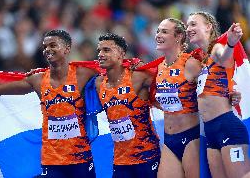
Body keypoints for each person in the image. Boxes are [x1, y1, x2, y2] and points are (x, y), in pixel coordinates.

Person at [0, 30, 98, 178]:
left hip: (81, 159)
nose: (48, 49)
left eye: (53, 45)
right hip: (52, 161)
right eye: (45, 46)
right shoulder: (38, 80)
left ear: (67, 48)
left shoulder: (84, 74)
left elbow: (114, 80)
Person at [186, 11, 250, 178]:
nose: (188, 28)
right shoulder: (200, 61)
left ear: (208, 27)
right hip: (210, 131)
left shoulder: (216, 47)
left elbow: (223, 56)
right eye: (187, 25)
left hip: (226, 125)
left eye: (193, 24)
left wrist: (230, 43)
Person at [94, 33, 161, 178]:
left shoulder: (137, 77)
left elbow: (164, 80)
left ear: (121, 53)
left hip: (146, 155)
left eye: (106, 50)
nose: (100, 54)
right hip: (120, 160)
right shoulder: (99, 84)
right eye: (99, 50)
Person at [154, 18, 201, 178]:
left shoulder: (190, 63)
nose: (158, 35)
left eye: (164, 32)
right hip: (169, 140)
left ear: (179, 36)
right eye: (158, 31)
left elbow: (214, 85)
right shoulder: (160, 67)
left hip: (190, 137)